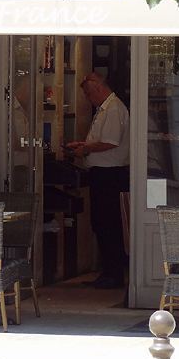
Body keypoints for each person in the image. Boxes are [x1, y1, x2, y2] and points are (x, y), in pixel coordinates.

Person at [66, 73, 130, 289]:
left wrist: (85, 149)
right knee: (102, 223)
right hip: (103, 173)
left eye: (88, 94)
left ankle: (113, 273)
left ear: (99, 89)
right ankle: (110, 271)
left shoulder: (113, 109)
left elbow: (111, 142)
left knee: (107, 223)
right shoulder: (107, 108)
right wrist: (84, 144)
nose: (87, 98)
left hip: (109, 175)